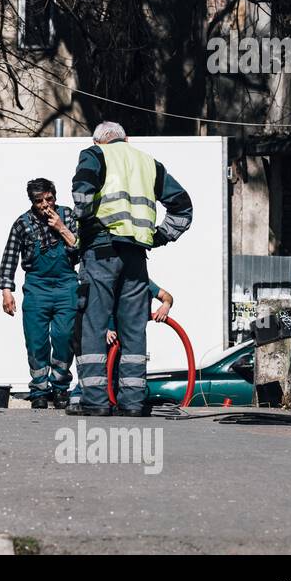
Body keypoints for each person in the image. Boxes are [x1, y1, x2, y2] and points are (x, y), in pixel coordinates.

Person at [71, 122, 193, 417]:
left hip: (101, 250)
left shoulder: (94, 154)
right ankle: (133, 402)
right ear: (127, 138)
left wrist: (87, 226)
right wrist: (159, 236)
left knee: (93, 326)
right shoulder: (149, 163)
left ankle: (96, 402)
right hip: (137, 255)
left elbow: (81, 195)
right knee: (134, 330)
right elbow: (183, 207)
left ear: (99, 141)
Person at [0, 178, 80, 408]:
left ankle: (61, 387)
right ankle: (40, 390)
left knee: (64, 338)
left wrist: (60, 228)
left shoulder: (69, 216)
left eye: (49, 199)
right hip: (37, 288)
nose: (45, 205)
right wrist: (6, 291)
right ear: (32, 202)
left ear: (55, 196)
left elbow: (80, 248)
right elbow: (9, 258)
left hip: (66, 287)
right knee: (36, 342)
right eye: (39, 201)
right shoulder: (22, 224)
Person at [67, 280, 174, 410]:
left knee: (123, 375)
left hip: (127, 340)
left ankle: (120, 404)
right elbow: (92, 309)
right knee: (96, 375)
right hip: (105, 339)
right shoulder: (105, 280)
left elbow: (166, 296)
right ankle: (78, 401)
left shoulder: (140, 281)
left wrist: (166, 305)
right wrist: (103, 330)